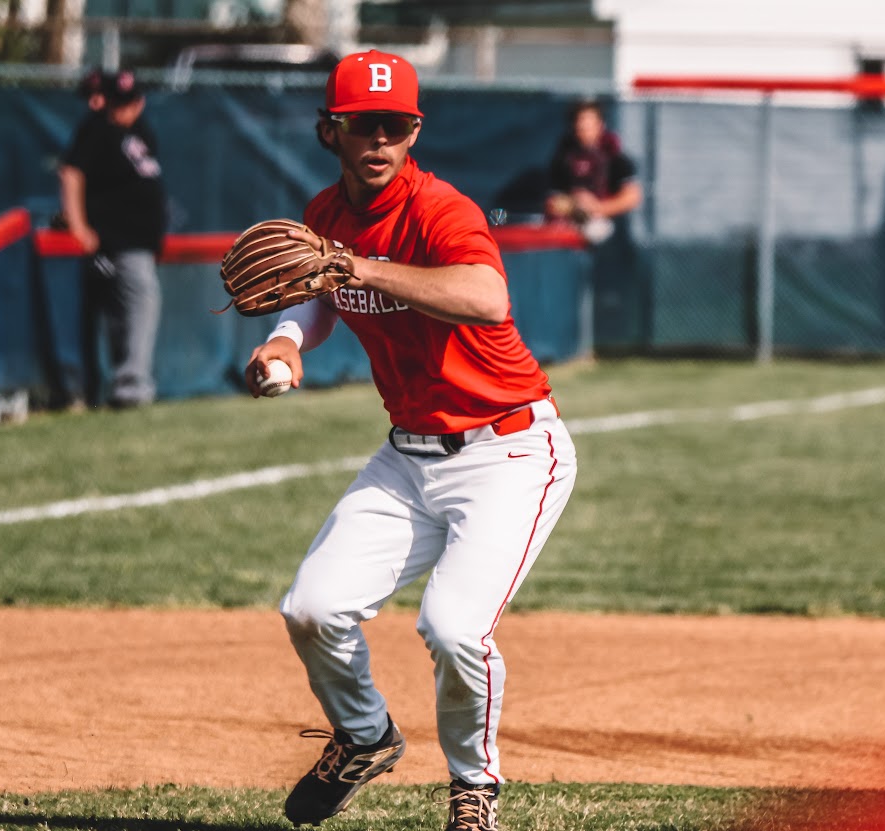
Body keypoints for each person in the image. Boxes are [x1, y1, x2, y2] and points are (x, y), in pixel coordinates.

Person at [245, 50, 578, 831]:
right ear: (331, 130)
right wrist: (289, 339)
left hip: (510, 450)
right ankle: (363, 736)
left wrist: (366, 265)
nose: (380, 141)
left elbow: (486, 296)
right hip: (409, 453)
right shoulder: (324, 215)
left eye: (395, 126)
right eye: (363, 124)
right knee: (313, 608)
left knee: (454, 625)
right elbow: (319, 295)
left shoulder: (440, 210)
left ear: (414, 130)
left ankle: (474, 789)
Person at [57, 68, 166, 410]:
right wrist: (78, 225)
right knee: (140, 305)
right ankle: (131, 388)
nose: (122, 109)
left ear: (140, 102)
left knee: (128, 313)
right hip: (117, 239)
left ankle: (125, 386)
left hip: (140, 240)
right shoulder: (98, 129)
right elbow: (71, 173)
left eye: (129, 102)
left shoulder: (139, 130)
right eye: (117, 103)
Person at [544, 98, 642, 244]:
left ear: (600, 125)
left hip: (610, 236)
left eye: (588, 124)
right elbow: (552, 201)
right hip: (572, 234)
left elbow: (632, 197)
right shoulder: (564, 157)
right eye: (579, 124)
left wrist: (598, 207)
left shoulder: (614, 157)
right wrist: (572, 205)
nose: (583, 129)